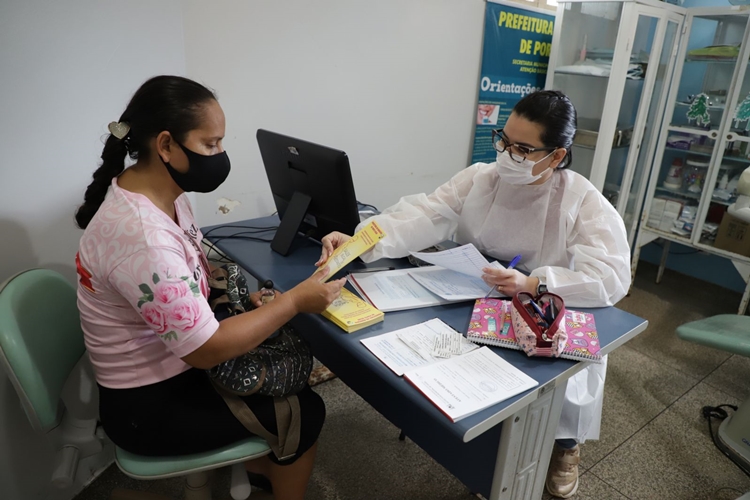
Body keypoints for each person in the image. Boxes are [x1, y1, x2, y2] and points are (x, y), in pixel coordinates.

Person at [317, 90, 631, 499]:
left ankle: (564, 447)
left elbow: (610, 278)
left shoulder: (582, 201)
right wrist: (359, 241)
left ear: (557, 156)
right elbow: (423, 215)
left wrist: (535, 283)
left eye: (522, 149)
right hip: (472, 299)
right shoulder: (482, 178)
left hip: (543, 314)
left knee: (554, 397)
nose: (506, 154)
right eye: (504, 140)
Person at [75, 75, 345, 500]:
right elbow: (205, 349)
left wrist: (251, 307)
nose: (220, 155)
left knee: (275, 357)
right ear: (165, 145)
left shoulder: (162, 194)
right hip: (148, 406)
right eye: (211, 144)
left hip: (165, 369)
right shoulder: (142, 236)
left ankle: (260, 466)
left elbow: (185, 289)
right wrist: (293, 302)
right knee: (305, 410)